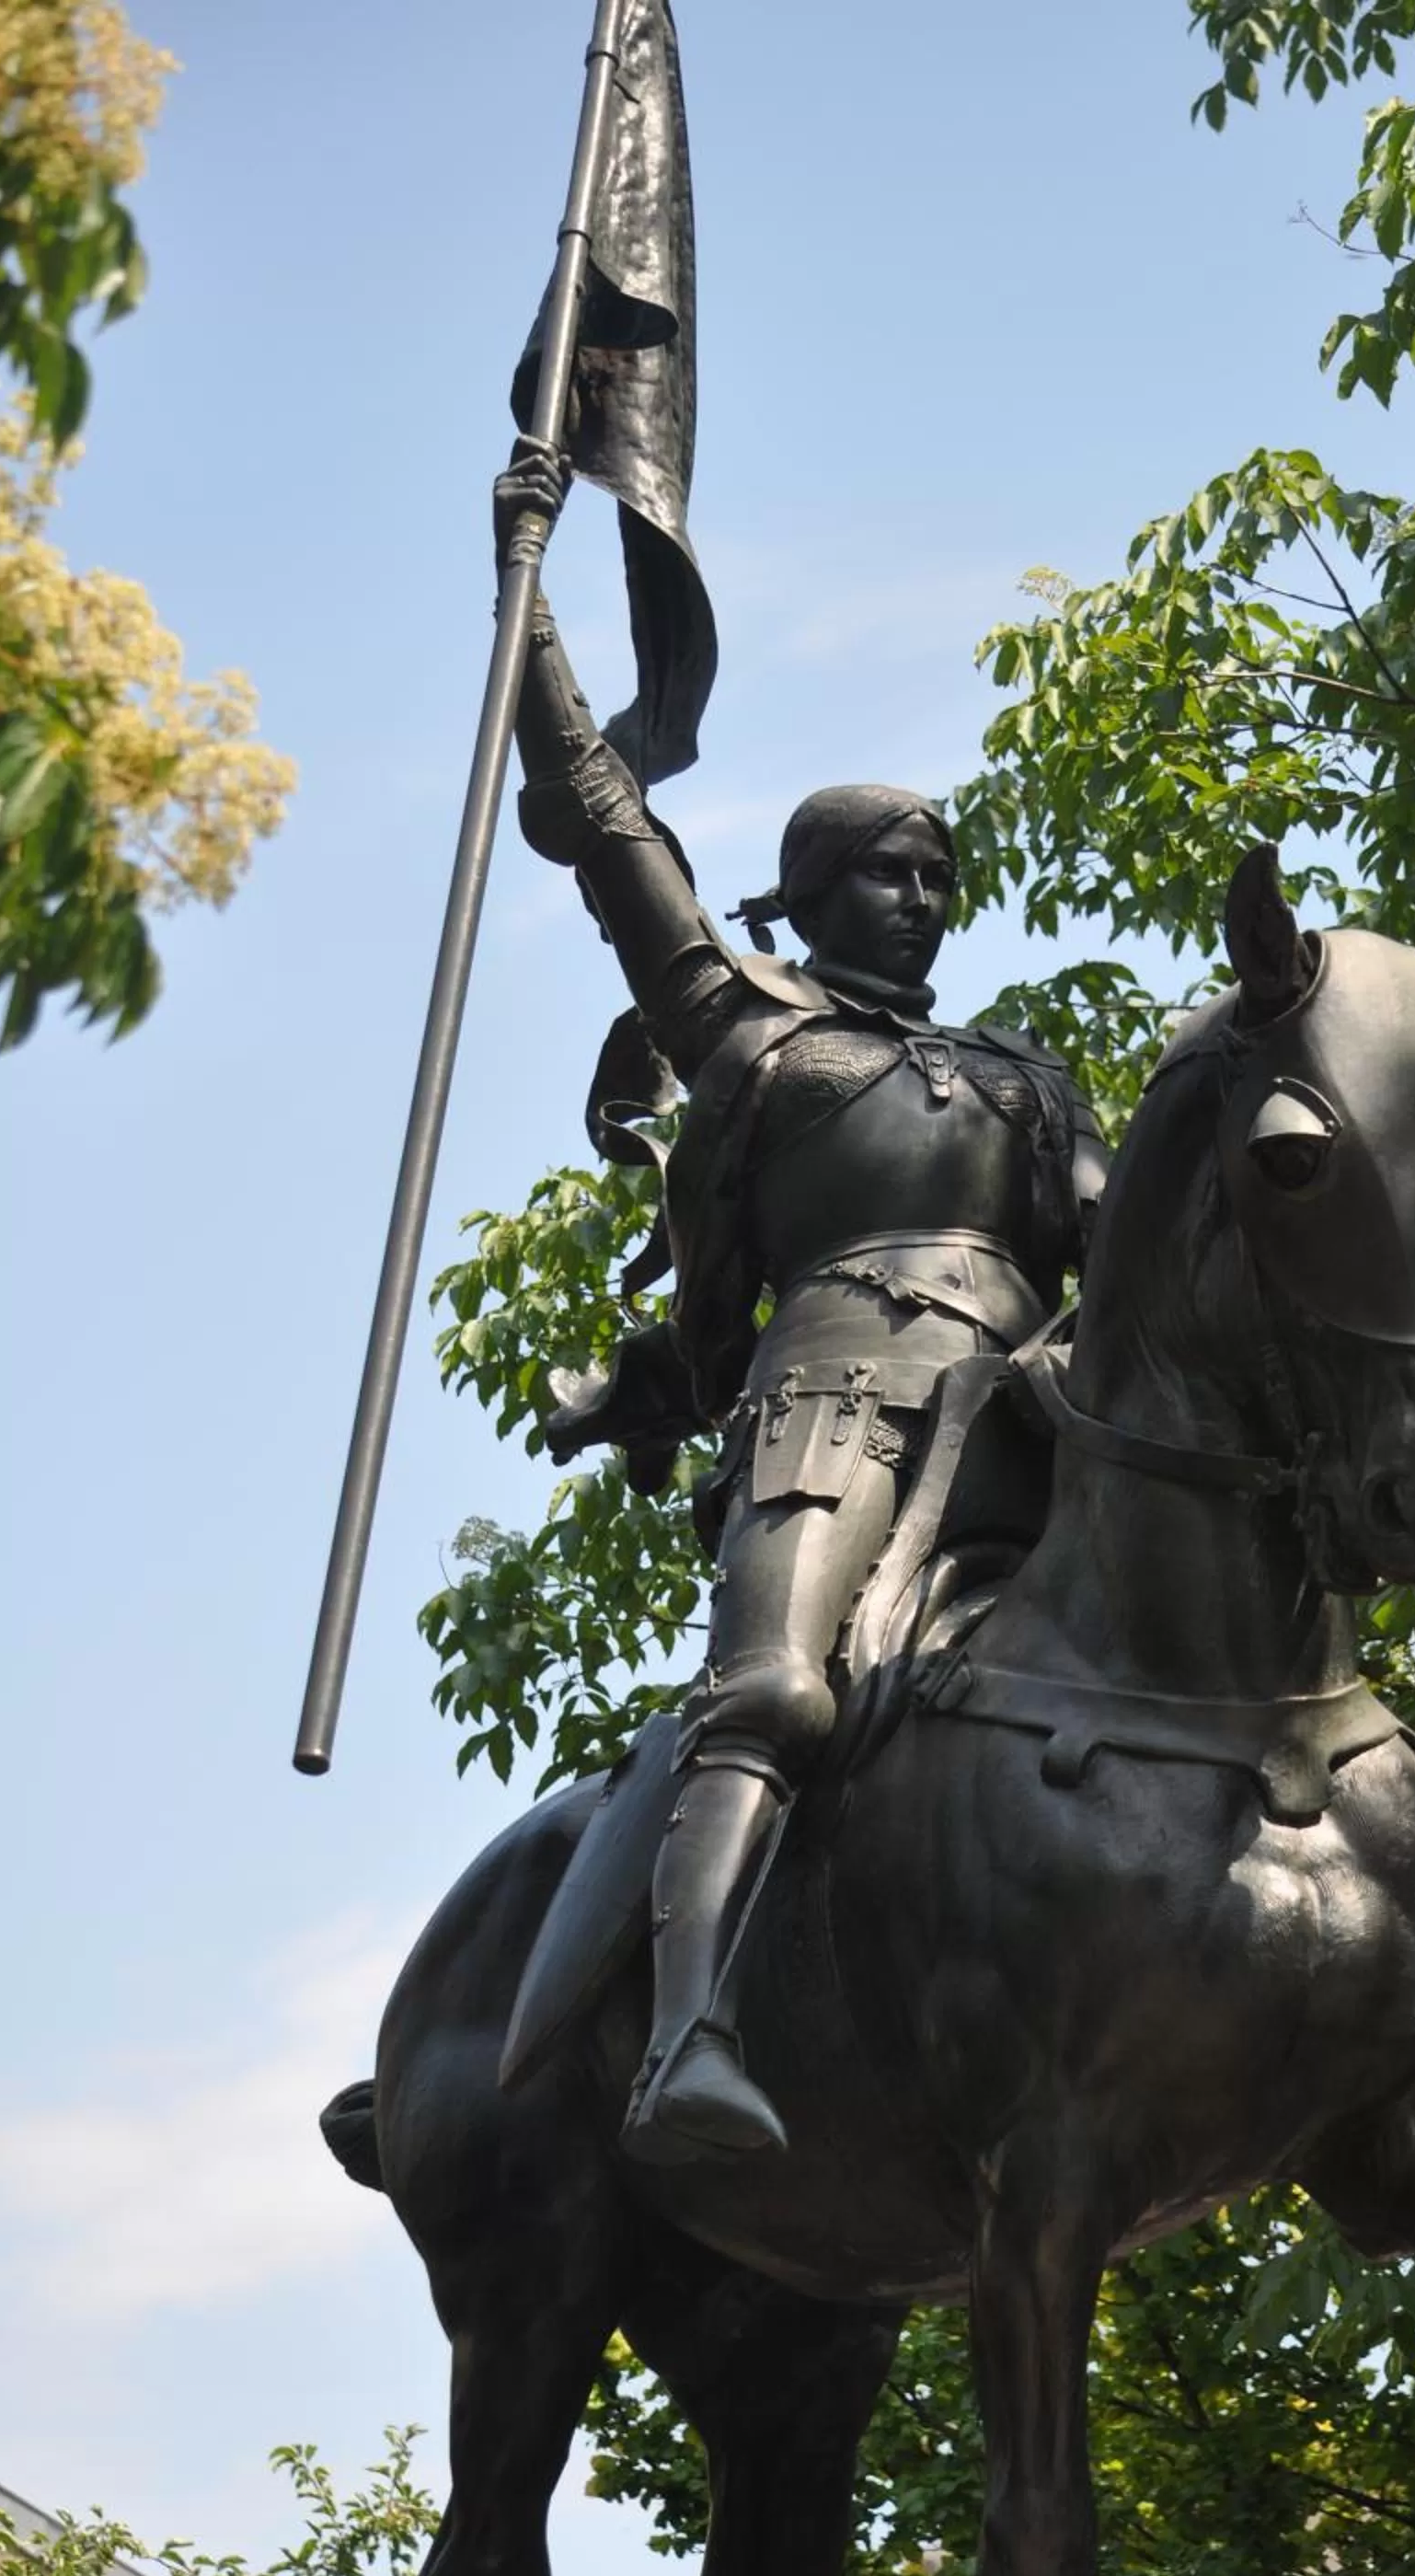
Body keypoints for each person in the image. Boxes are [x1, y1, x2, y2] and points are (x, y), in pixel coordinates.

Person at [499, 445, 1108, 2165]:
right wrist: (525, 584)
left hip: (1039, 1421)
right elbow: (610, 831)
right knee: (773, 1689)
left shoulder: (1021, 1074)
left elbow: (1124, 1253)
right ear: (813, 888)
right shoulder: (751, 1030)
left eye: (937, 877)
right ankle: (686, 2039)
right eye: (888, 873)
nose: (920, 899)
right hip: (831, 1409)